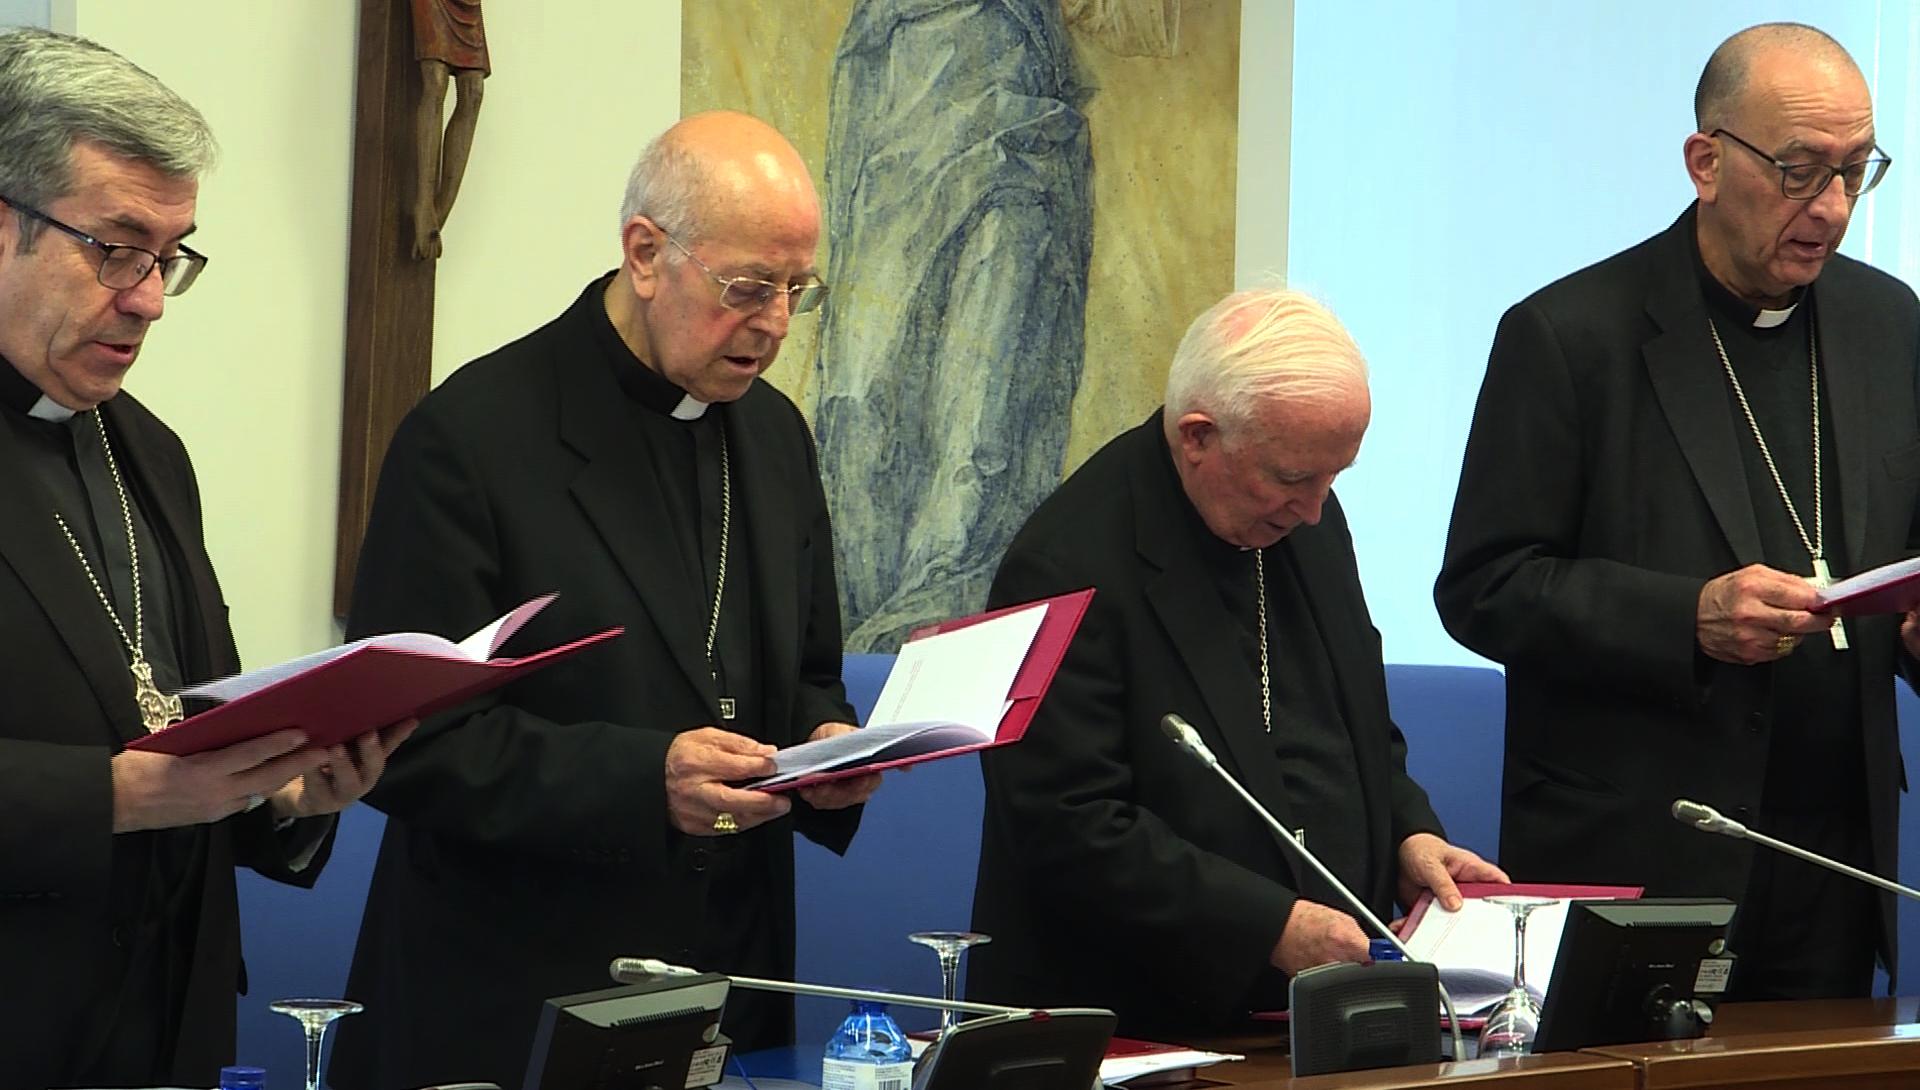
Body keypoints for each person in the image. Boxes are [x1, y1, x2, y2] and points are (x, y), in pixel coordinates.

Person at [330, 111, 881, 1088]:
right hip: (516, 1002)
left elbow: (801, 671)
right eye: (748, 287)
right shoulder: (473, 439)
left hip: (728, 985)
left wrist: (826, 747)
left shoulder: (775, 439)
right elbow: (409, 747)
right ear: (644, 252)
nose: (776, 323)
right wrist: (644, 780)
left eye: (799, 289)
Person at [1435, 22, 1920, 1000]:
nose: (1829, 206)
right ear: (1706, 161)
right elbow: (1484, 588)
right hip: (1644, 858)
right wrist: (1687, 618)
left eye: (1855, 170)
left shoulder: (1890, 323)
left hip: (1830, 861)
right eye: (1798, 170)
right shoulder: (1567, 338)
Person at [0, 28, 411, 1086]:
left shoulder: (145, 448)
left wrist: (289, 794)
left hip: (172, 1029)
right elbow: (137, 782)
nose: (146, 297)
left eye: (170, 256)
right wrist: (114, 796)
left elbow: (188, 721)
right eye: (116, 247)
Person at [968, 288, 1504, 1034]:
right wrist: (1270, 925)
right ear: (1197, 436)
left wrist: (1408, 833)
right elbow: (1069, 826)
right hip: (1131, 1018)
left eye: (1333, 479)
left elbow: (1356, 729)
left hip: (1311, 1010)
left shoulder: (1303, 520)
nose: (1316, 509)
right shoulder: (1062, 565)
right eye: (1292, 479)